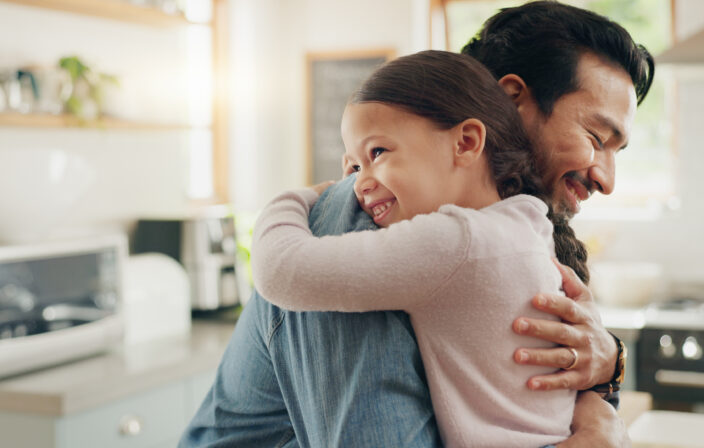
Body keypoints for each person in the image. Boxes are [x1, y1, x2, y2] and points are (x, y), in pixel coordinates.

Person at [180, 2, 654, 447]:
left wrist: (606, 375)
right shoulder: (360, 217)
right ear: (512, 101)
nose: (606, 179)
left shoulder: (521, 230)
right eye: (596, 138)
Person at [251, 50, 588, 447]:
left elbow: (283, 272)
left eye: (377, 153)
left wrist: (299, 198)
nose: (357, 186)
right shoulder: (526, 224)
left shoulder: (456, 243)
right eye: (353, 169)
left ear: (465, 142)